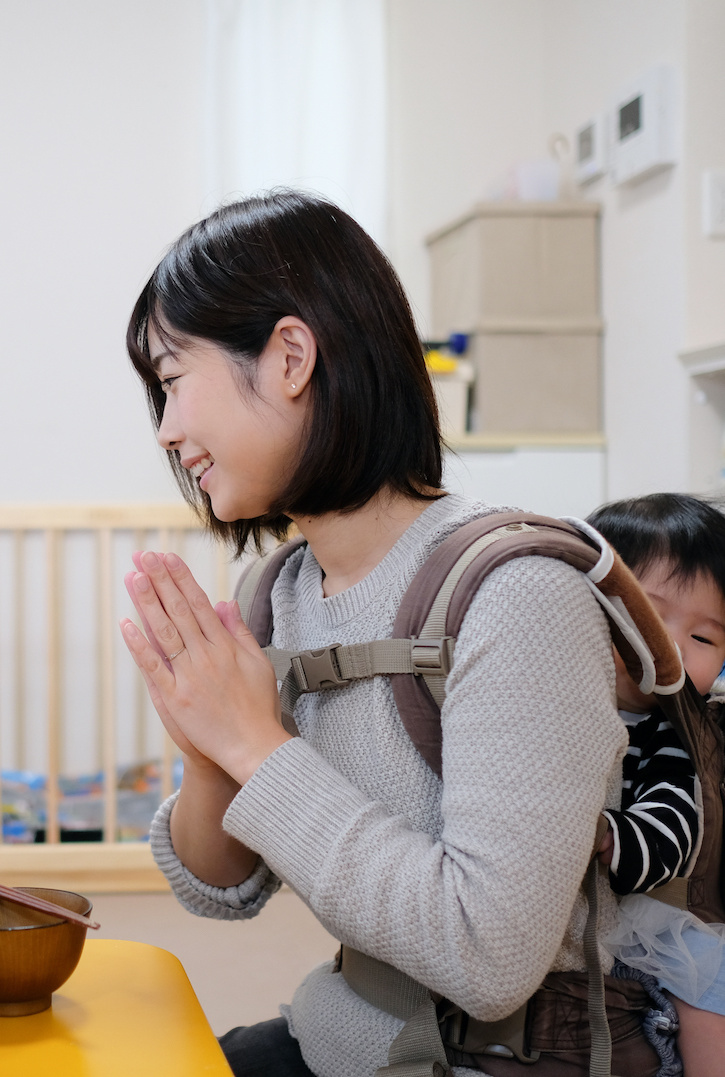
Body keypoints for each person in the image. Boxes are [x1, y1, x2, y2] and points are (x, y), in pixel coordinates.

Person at [118, 191, 657, 1077]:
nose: (170, 432)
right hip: (344, 1035)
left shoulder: (518, 590)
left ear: (290, 355)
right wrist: (205, 746)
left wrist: (256, 745)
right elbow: (220, 889)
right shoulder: (276, 593)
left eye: (173, 382)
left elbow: (491, 957)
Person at [587, 494, 725, 1077]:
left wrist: (608, 836)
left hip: (647, 909)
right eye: (647, 613)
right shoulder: (545, 699)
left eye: (705, 638)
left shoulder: (678, 731)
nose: (669, 646)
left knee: (713, 979)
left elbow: (672, 825)